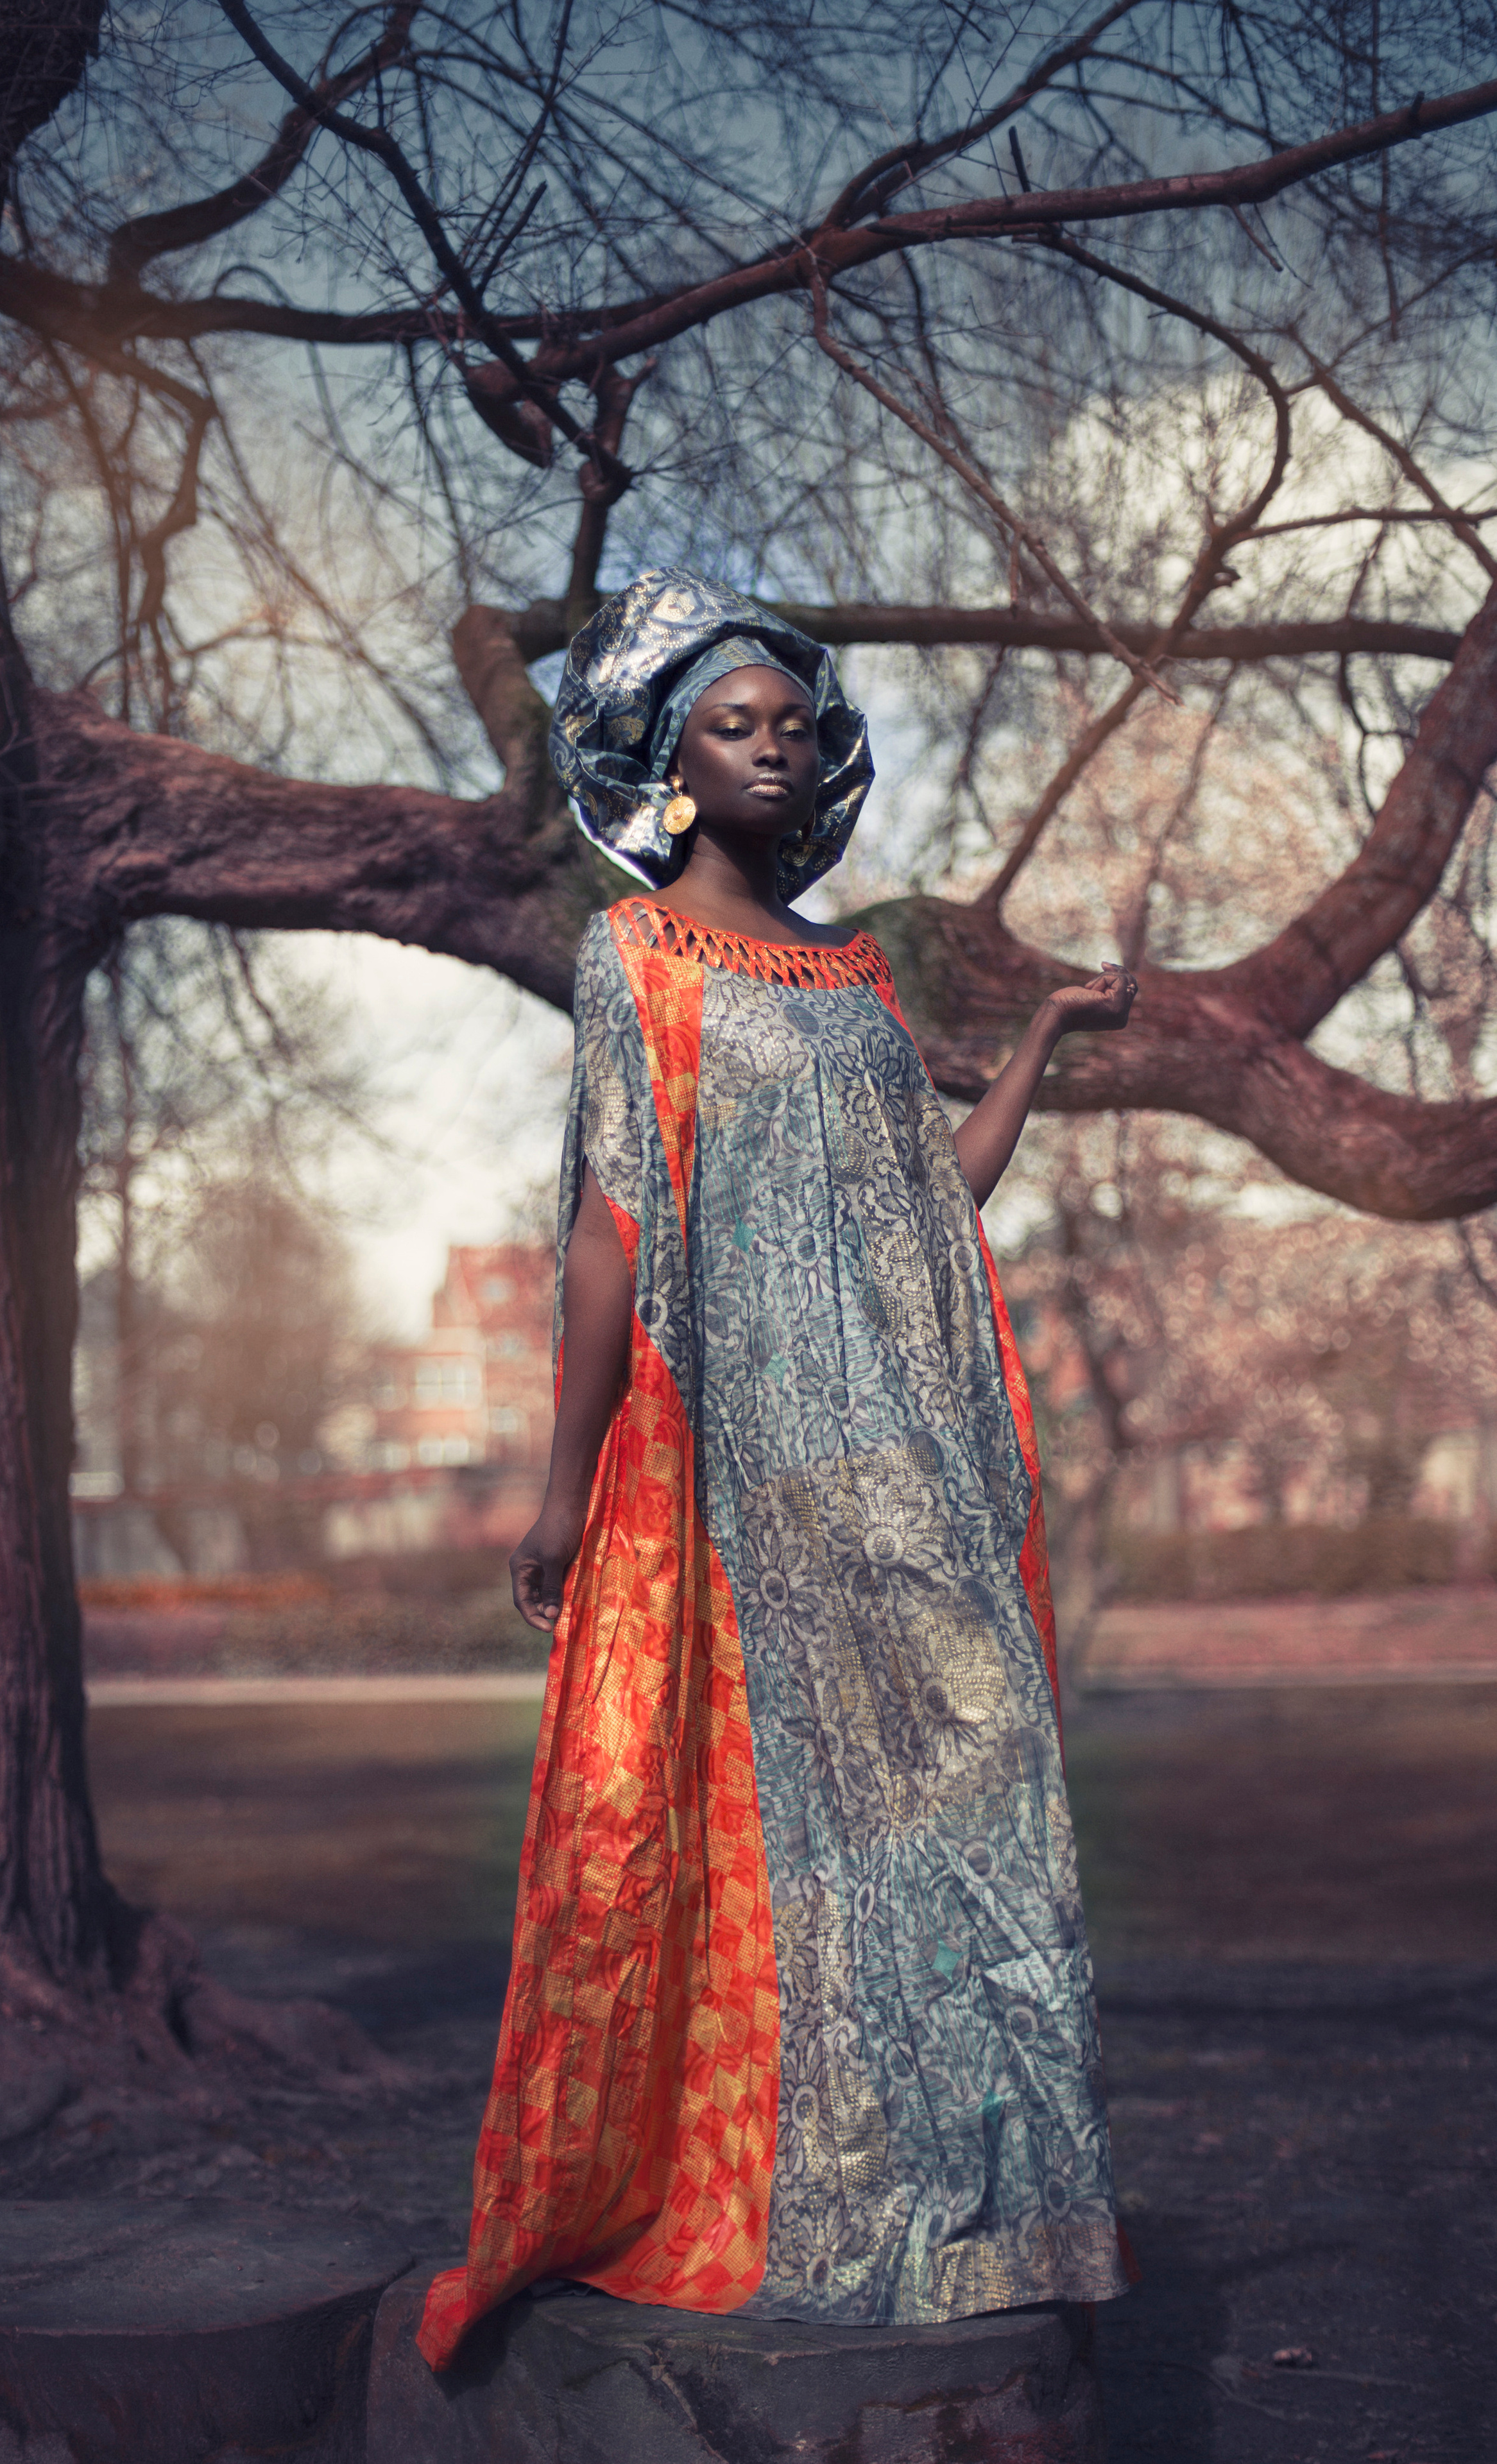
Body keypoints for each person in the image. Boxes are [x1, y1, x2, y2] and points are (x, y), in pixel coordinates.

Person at [417, 569, 1136, 2368]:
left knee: (975, 1816)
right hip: (756, 1477)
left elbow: (933, 1200)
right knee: (804, 1841)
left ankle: (981, 2220)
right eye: (732, 725)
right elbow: (610, 1224)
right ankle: (824, 2210)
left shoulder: (853, 973)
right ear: (670, 756)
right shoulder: (635, 956)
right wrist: (566, 1481)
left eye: (792, 726)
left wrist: (1039, 1038)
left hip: (915, 1465)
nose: (771, 746)